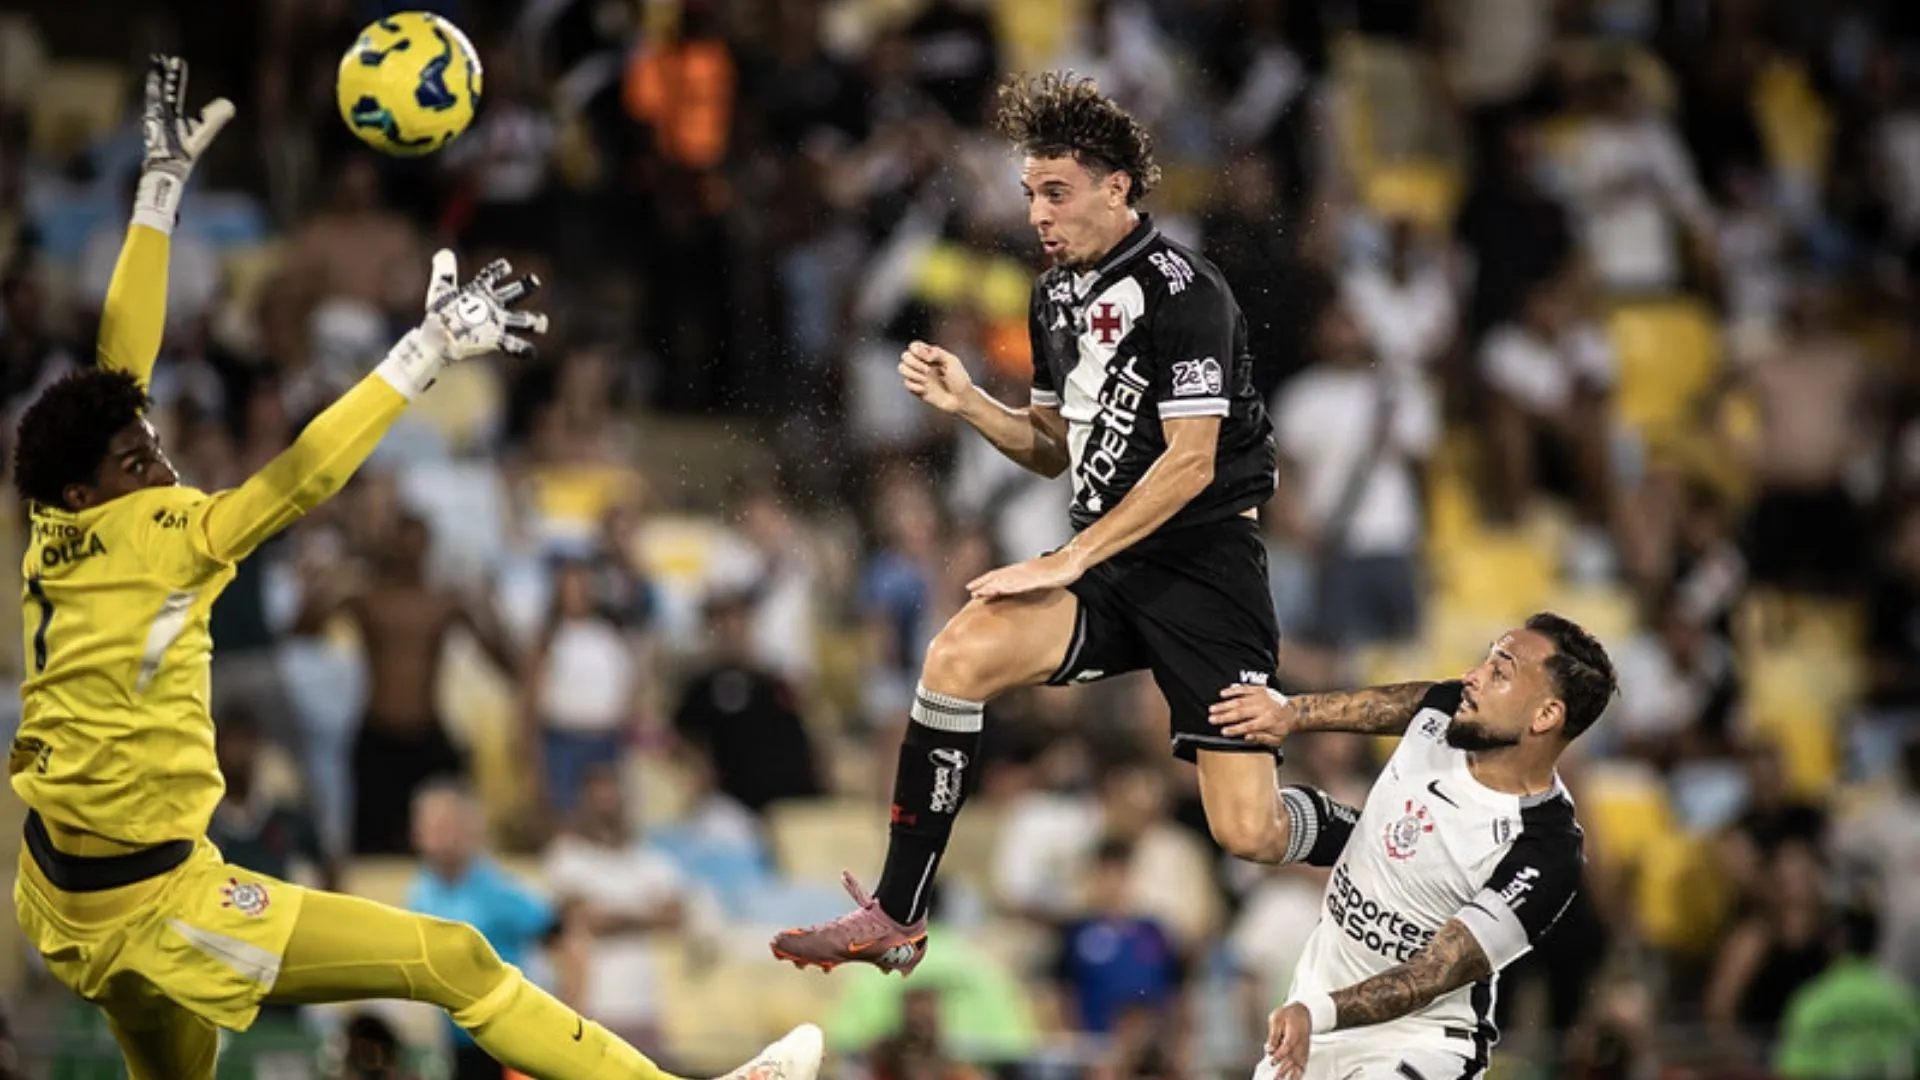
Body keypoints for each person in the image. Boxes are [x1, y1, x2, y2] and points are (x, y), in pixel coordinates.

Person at [6, 56, 822, 1080]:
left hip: (61, 889)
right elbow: (301, 479)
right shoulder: (161, 531)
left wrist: (157, 196)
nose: (163, 466)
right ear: (89, 488)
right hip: (158, 901)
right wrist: (421, 354)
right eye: (138, 463)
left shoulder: (54, 521)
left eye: (154, 448)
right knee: (455, 959)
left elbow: (114, 371)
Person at [772, 71, 1281, 976]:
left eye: (1057, 192)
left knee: (1249, 830)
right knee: (955, 658)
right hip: (1110, 564)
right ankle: (899, 915)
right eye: (1029, 194)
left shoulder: (1186, 291)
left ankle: (1386, 835)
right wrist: (971, 401)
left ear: (1115, 188)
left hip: (1205, 570)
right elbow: (1051, 447)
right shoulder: (1052, 297)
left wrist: (1066, 557)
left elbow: (1192, 461)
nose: (1038, 214)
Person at [1208, 612, 1614, 1080]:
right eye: (1486, 660)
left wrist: (1315, 1011)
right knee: (1251, 828)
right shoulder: (1446, 714)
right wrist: (1288, 713)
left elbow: (1434, 972)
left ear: (1546, 716)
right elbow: (1402, 703)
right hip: (1312, 1030)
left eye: (1500, 672)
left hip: (1420, 1046)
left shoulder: (1546, 847)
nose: (1473, 676)